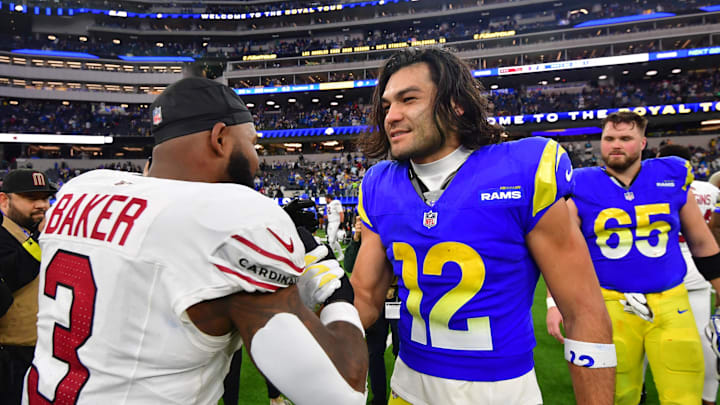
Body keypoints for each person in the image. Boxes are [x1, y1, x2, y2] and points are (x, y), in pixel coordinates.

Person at [23, 77, 368, 405]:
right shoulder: (233, 218)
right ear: (220, 138)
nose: (257, 160)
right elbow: (341, 392)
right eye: (252, 143)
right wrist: (337, 294)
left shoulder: (79, 191)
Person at [350, 47, 615, 405]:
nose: (391, 116)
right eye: (386, 106)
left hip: (500, 393)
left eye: (408, 100)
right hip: (407, 388)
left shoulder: (523, 169)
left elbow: (584, 311)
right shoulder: (380, 184)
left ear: (456, 103)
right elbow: (365, 298)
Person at [546, 112, 720, 405]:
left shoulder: (671, 176)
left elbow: (702, 243)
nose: (616, 145)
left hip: (670, 300)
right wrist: (554, 304)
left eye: (625, 138)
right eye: (609, 138)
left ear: (642, 143)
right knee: (618, 393)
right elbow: (560, 252)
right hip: (609, 302)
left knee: (684, 391)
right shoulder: (580, 184)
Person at [657, 144, 719, 405]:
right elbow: (714, 232)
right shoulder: (711, 189)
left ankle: (638, 393)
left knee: (648, 343)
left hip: (663, 269)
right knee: (705, 344)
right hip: (701, 273)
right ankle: (707, 399)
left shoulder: (656, 186)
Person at [0, 169, 56, 405]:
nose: (42, 205)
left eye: (45, 198)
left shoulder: (38, 233)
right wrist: (40, 239)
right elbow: (12, 276)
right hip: (10, 354)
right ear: (4, 200)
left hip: (43, 349)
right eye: (31, 198)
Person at [345, 215, 400, 405]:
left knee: (402, 349)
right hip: (375, 302)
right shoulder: (365, 237)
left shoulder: (396, 227)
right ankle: (379, 397)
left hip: (398, 299)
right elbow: (349, 265)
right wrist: (356, 239)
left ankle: (401, 393)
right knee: (374, 352)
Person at [324, 194, 344, 261]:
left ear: (328, 198)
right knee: (333, 240)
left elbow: (341, 213)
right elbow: (331, 214)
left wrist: (341, 223)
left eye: (325, 198)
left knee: (331, 240)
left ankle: (330, 256)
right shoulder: (329, 205)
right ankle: (341, 255)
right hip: (330, 223)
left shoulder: (336, 202)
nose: (325, 199)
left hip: (335, 222)